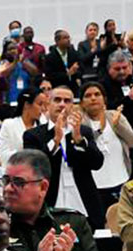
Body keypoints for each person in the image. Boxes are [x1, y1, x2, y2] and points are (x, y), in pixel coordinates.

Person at [23, 86, 105, 228]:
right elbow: (34, 167)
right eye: (57, 100)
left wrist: (79, 140)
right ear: (48, 104)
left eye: (67, 101)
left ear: (72, 106)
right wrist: (55, 140)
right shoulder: (33, 135)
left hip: (83, 198)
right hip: (51, 199)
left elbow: (97, 163)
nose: (62, 104)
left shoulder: (83, 131)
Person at [79, 82, 133, 211]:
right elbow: (84, 146)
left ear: (104, 99)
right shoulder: (79, 121)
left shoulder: (115, 116)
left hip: (122, 181)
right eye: (88, 96)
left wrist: (118, 125)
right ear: (82, 103)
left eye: (97, 94)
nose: (93, 98)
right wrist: (100, 129)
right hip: (95, 187)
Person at [0, 87, 47, 166]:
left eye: (45, 105)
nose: (43, 109)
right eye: (40, 104)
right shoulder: (9, 125)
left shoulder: (44, 124)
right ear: (27, 104)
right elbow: (3, 156)